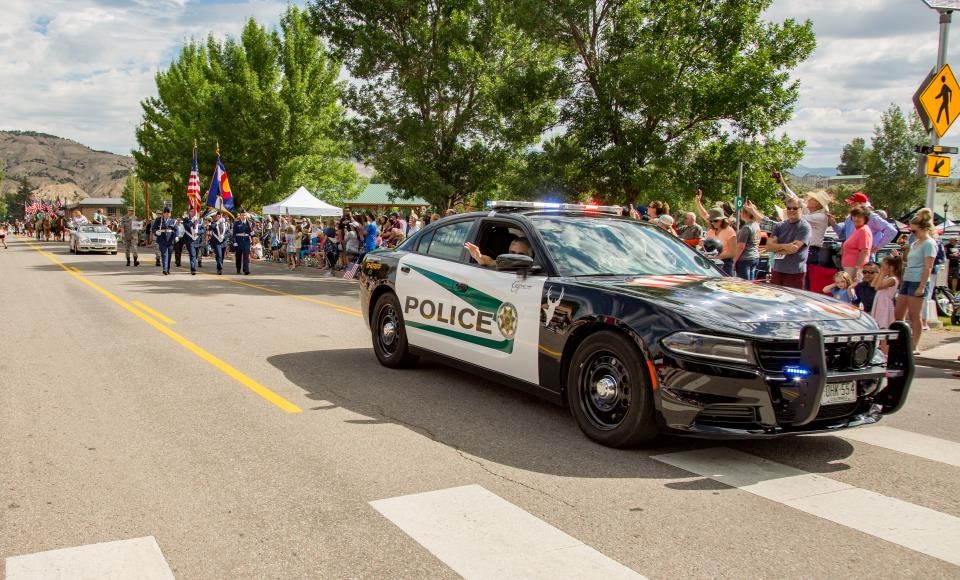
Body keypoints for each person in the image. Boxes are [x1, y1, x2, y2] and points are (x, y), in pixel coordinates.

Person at [894, 208, 937, 352]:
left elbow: (928, 267)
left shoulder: (929, 244)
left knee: (914, 315)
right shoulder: (914, 244)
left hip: (918, 281)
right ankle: (902, 341)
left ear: (924, 229)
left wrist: (922, 286)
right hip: (908, 279)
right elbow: (910, 262)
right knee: (899, 313)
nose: (912, 234)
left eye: (914, 231)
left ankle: (914, 345)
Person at [766, 197, 811, 289]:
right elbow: (768, 247)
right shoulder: (779, 226)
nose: (791, 210)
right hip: (777, 270)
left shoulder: (804, 227)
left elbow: (793, 249)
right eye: (789, 208)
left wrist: (776, 247)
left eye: (795, 208)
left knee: (792, 302)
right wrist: (785, 246)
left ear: (801, 209)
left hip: (795, 273)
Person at [833, 191, 897, 254]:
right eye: (850, 202)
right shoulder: (849, 217)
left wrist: (878, 246)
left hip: (864, 255)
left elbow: (892, 230)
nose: (850, 205)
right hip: (850, 255)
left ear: (862, 204)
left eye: (853, 203)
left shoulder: (871, 216)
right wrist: (833, 224)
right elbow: (843, 236)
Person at [841, 207, 873, 282]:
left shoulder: (863, 231)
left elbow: (864, 251)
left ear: (865, 218)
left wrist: (857, 269)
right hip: (849, 266)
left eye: (859, 217)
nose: (855, 219)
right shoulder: (858, 229)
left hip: (854, 268)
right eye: (854, 216)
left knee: (851, 290)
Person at [704, 208, 736, 276]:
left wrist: (715, 257)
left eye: (715, 220)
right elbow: (707, 248)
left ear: (722, 220)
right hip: (712, 264)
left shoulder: (729, 231)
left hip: (725, 264)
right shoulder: (710, 231)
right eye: (711, 221)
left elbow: (733, 253)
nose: (713, 223)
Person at [871, 255, 900, 330]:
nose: (882, 268)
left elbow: (878, 287)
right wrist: (880, 274)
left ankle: (884, 341)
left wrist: (883, 274)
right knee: (877, 324)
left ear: (891, 267)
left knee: (883, 324)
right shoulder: (885, 278)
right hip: (879, 302)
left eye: (883, 266)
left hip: (885, 304)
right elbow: (873, 285)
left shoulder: (892, 280)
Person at [464, 237, 533, 267]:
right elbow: (489, 262)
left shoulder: (536, 268)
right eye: (512, 253)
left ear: (529, 256)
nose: (515, 256)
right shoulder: (506, 263)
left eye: (521, 254)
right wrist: (479, 257)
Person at [735, 205, 762, 280]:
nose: (740, 213)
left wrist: (734, 261)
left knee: (744, 284)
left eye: (741, 212)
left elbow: (741, 247)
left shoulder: (746, 228)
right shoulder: (757, 225)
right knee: (751, 283)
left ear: (745, 213)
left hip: (745, 259)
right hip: (755, 257)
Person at [152, 208, 177, 275]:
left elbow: (176, 229)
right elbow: (154, 228)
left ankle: (167, 268)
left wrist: (176, 236)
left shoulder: (173, 221)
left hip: (170, 240)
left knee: (169, 255)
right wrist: (156, 232)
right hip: (162, 240)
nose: (167, 214)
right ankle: (165, 269)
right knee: (164, 254)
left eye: (168, 213)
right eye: (165, 213)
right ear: (163, 213)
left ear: (170, 214)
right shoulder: (158, 220)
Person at [180, 208, 201, 275]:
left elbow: (203, 229)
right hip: (189, 239)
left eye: (194, 211)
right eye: (191, 211)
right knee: (192, 254)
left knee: (196, 255)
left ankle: (194, 266)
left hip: (197, 240)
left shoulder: (199, 219)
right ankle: (193, 269)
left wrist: (198, 231)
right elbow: (187, 226)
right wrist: (192, 221)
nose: (193, 213)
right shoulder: (186, 219)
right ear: (189, 212)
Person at [233, 211, 254, 275]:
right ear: (240, 216)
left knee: (246, 256)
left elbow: (251, 233)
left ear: (246, 216)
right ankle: (238, 269)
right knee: (238, 257)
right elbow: (234, 234)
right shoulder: (236, 223)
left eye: (244, 215)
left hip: (246, 241)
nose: (243, 216)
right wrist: (235, 241)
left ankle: (246, 270)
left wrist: (252, 233)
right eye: (242, 215)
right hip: (238, 241)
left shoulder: (249, 223)